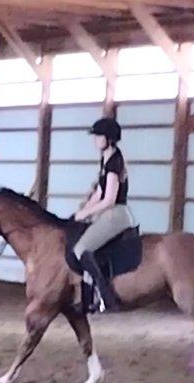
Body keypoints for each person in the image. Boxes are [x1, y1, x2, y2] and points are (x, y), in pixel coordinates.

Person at [73, 117, 135, 312]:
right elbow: (99, 193)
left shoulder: (114, 163)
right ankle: (89, 298)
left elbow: (109, 200)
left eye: (98, 136)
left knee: (81, 248)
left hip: (116, 214)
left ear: (109, 138)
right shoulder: (106, 159)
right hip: (108, 211)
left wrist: (87, 213)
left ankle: (106, 295)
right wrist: (82, 211)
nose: (95, 140)